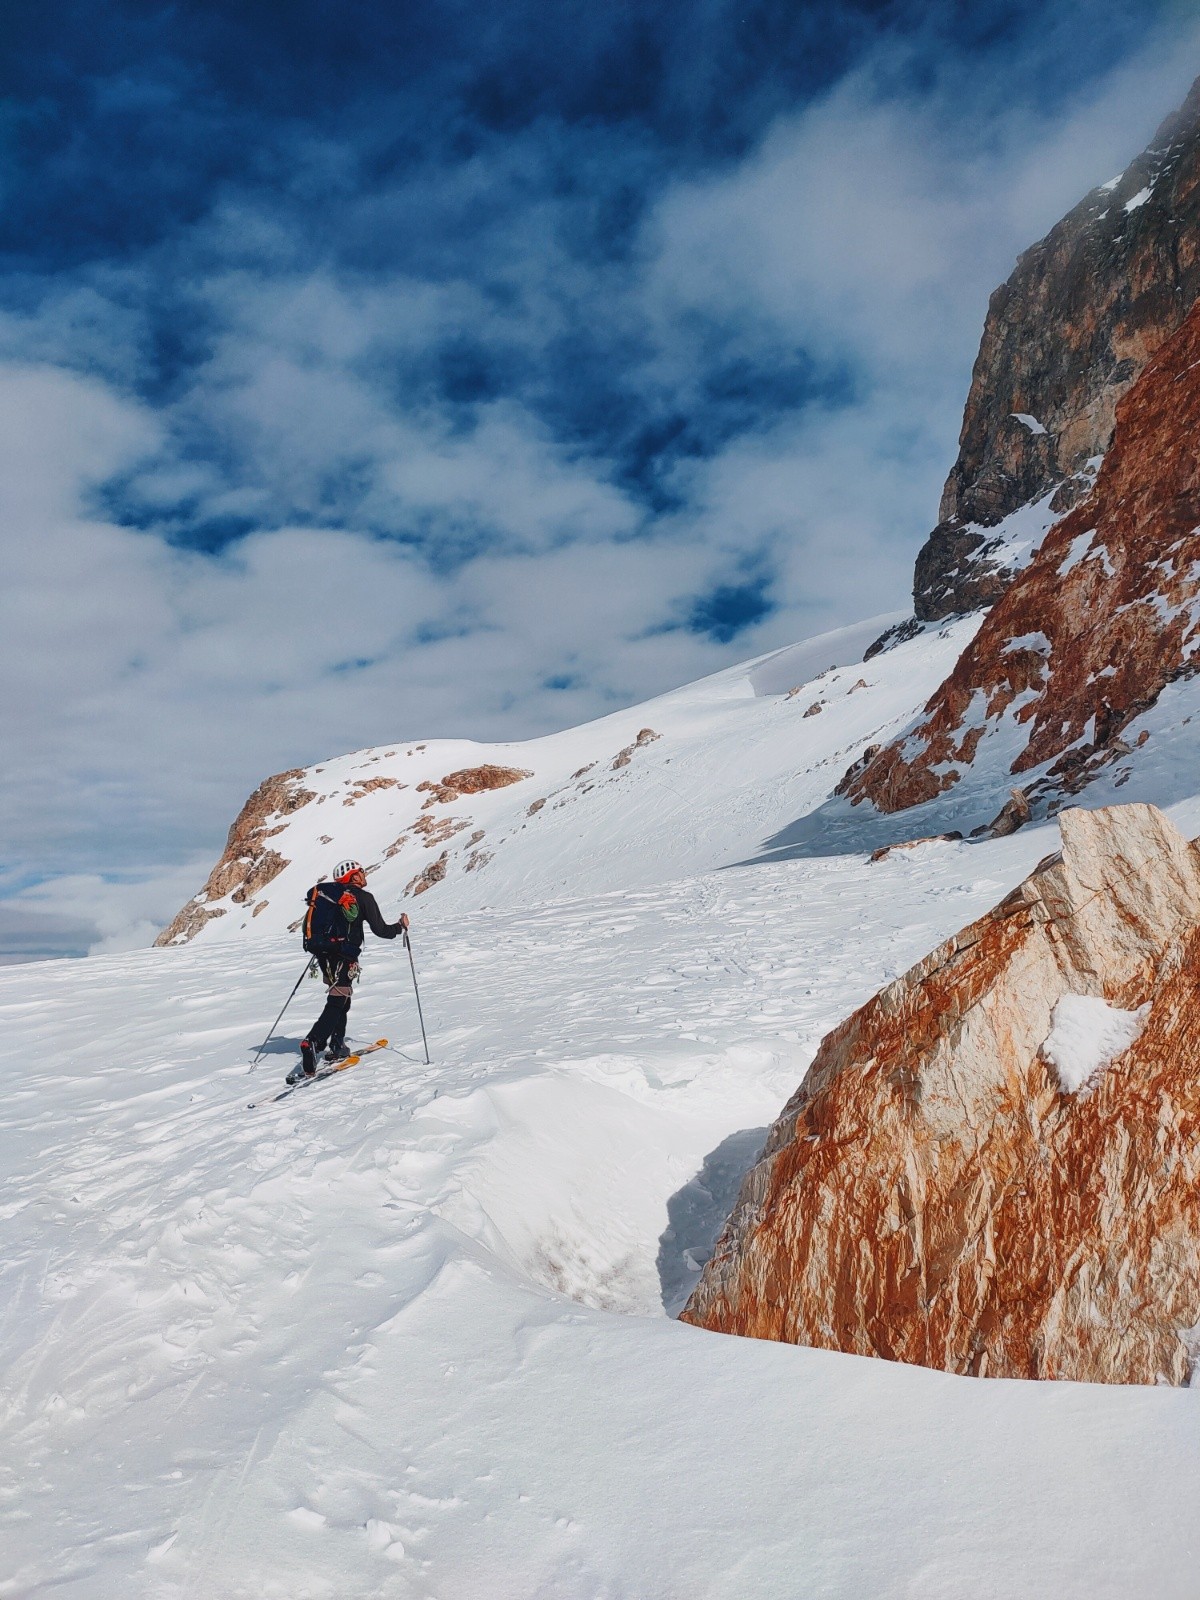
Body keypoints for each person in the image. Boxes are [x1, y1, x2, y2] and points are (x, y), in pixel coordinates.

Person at [287, 859, 409, 1083]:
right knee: (338, 1000)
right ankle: (313, 1042)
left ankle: (337, 1044)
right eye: (361, 872)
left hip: (324, 955)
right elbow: (381, 930)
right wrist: (400, 927)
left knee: (342, 998)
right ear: (353, 876)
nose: (364, 875)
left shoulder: (329, 896)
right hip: (345, 954)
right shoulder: (363, 898)